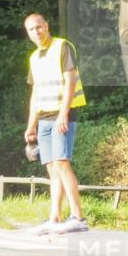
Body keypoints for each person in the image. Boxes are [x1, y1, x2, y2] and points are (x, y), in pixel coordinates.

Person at [23, 13, 88, 234]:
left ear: (46, 26)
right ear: (28, 33)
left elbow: (70, 81)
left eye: (39, 27)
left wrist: (63, 113)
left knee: (62, 163)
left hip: (63, 115)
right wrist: (31, 125)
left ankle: (78, 218)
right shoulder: (34, 58)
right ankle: (55, 218)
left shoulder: (62, 47)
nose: (36, 32)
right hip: (44, 118)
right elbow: (36, 93)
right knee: (52, 168)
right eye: (31, 29)